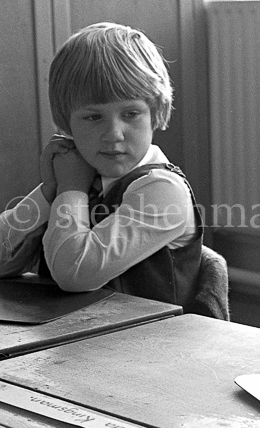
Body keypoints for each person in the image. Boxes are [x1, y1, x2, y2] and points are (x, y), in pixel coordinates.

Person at [0, 22, 213, 316]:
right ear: (66, 123)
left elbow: (75, 273)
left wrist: (69, 190)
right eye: (93, 117)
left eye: (131, 114)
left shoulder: (162, 190)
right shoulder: (80, 175)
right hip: (78, 342)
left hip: (152, 350)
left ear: (156, 113)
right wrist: (50, 191)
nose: (113, 133)